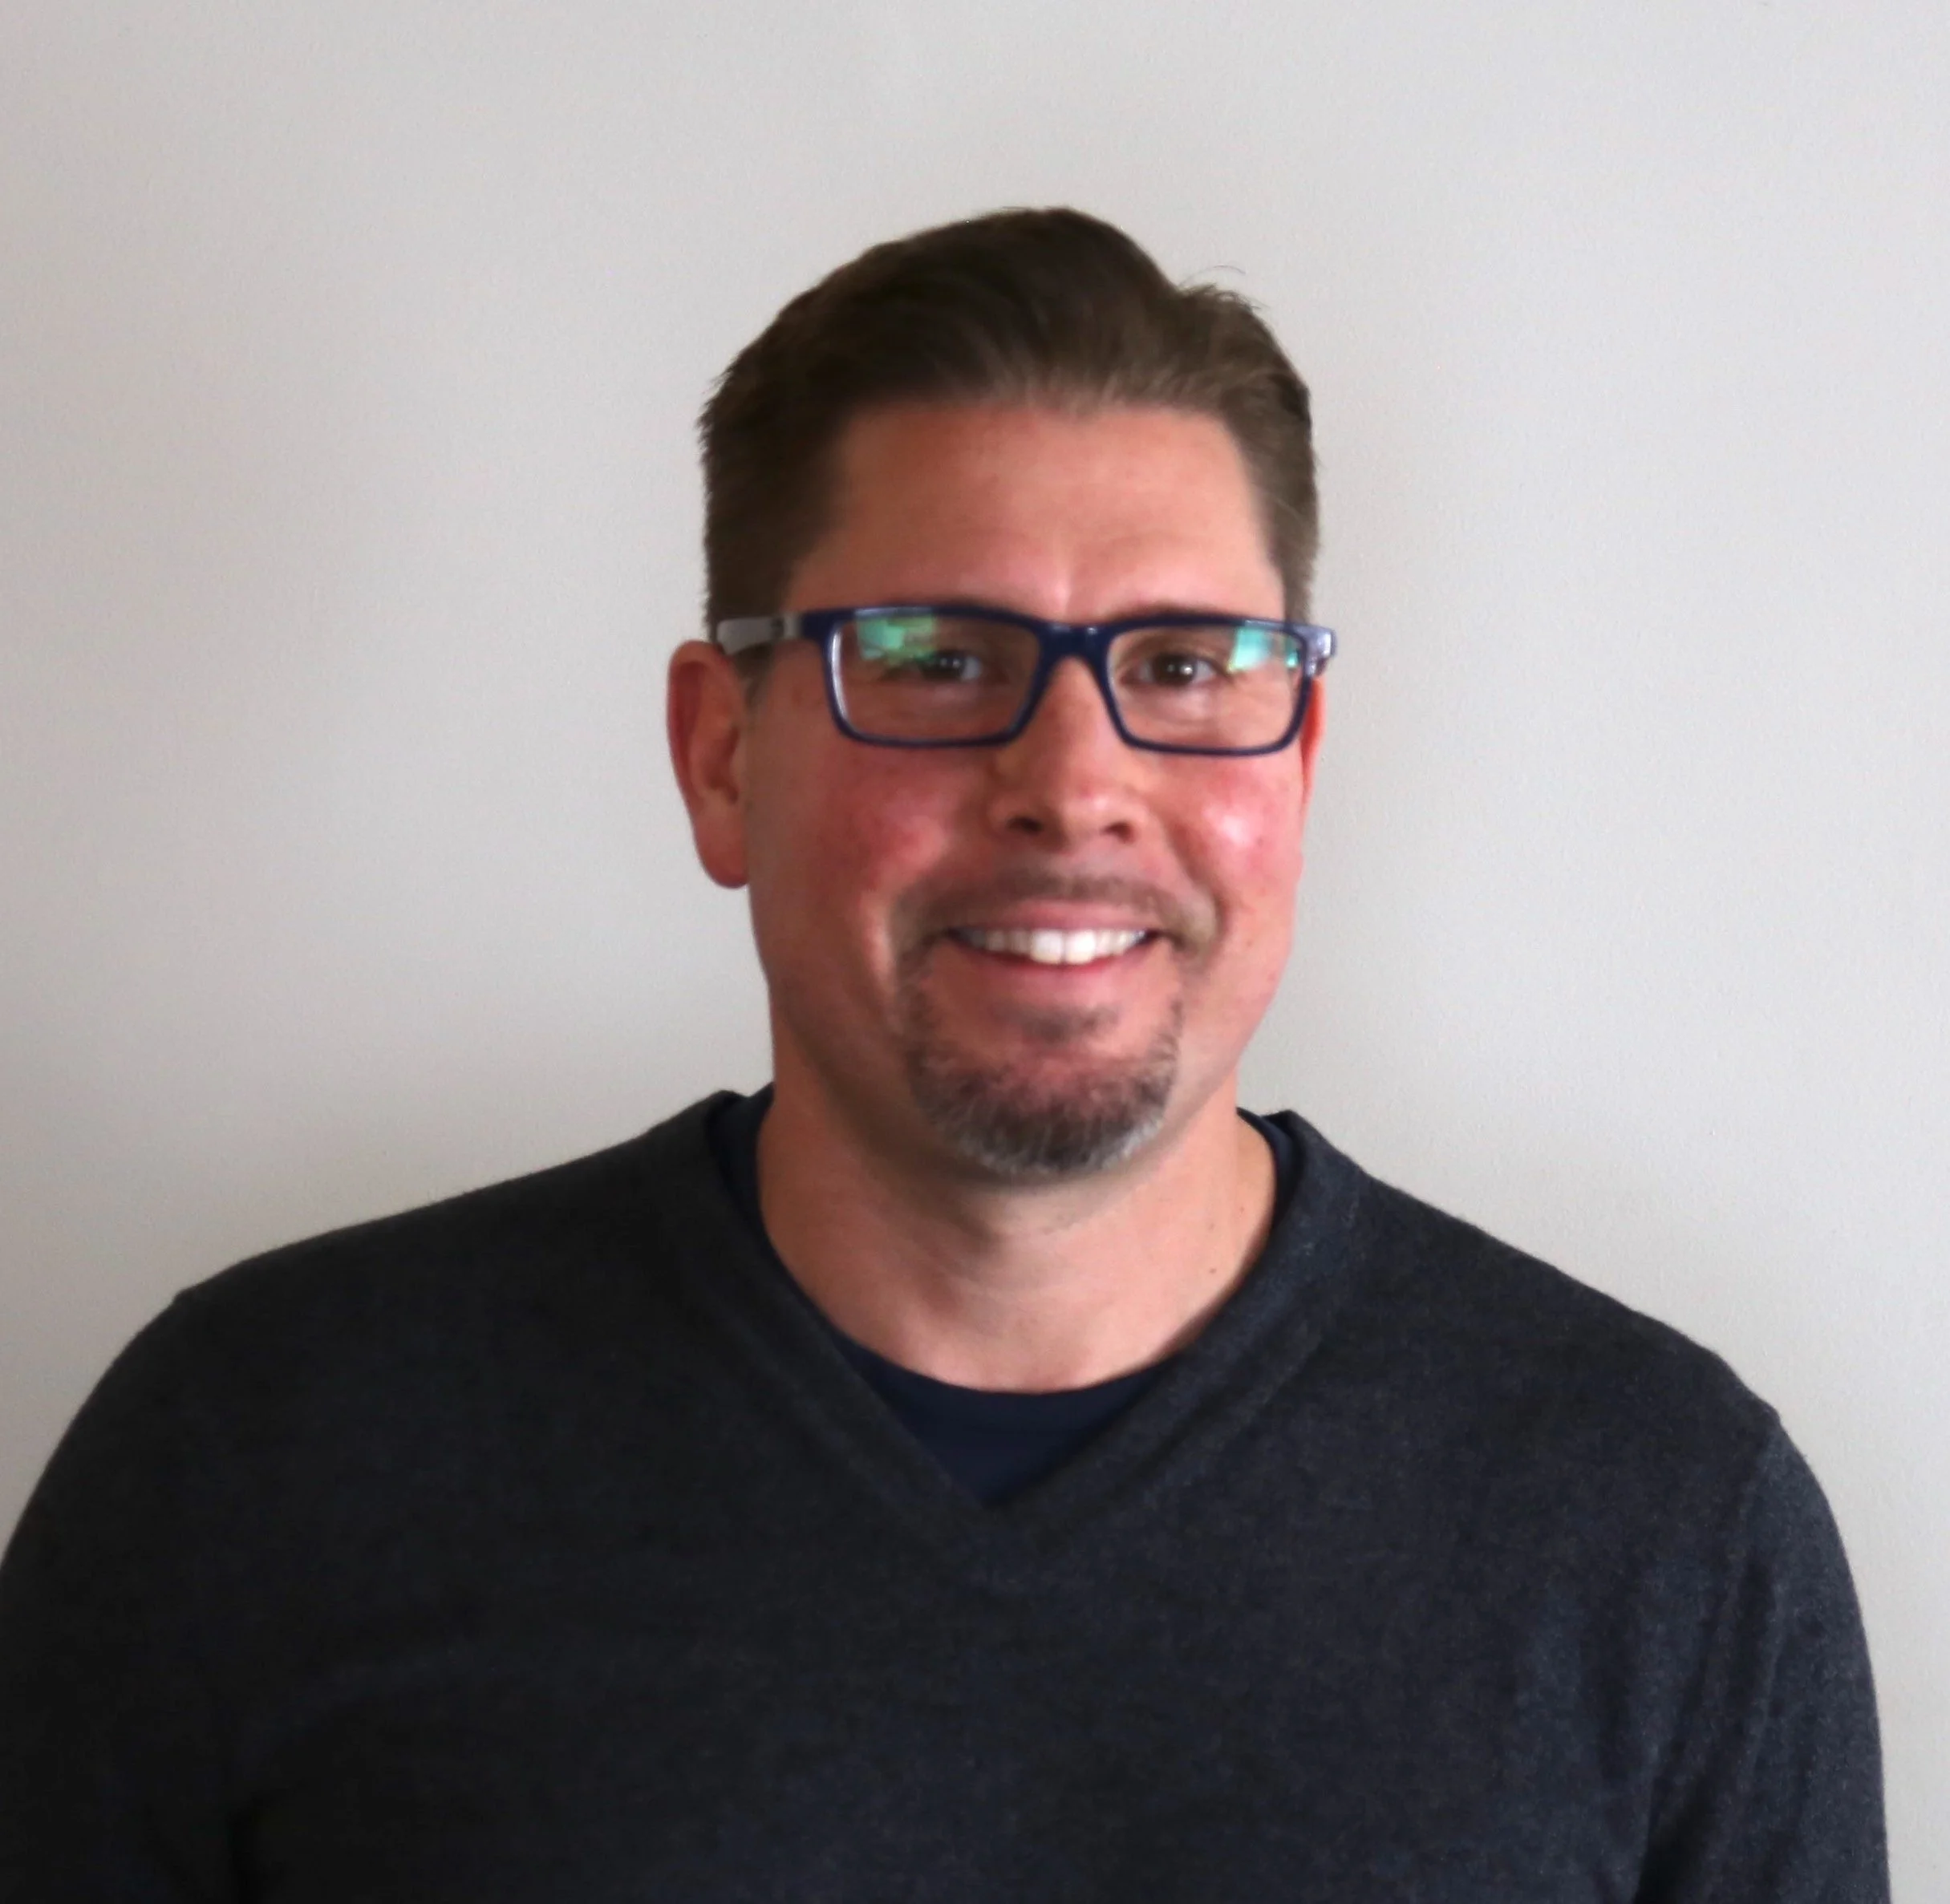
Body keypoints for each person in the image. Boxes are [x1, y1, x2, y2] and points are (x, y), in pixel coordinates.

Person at [0, 209, 1886, 1900]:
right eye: (929, 657)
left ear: (1297, 761)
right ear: (722, 754)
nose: (1074, 787)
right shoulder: (262, 1459)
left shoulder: (1660, 1527)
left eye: (1187, 666)